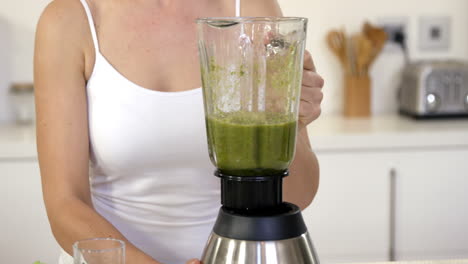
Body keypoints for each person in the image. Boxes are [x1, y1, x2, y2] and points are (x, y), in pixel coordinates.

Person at [34, 0, 324, 263]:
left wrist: (290, 120)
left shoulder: (251, 9)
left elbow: (299, 194)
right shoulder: (69, 20)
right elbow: (66, 205)